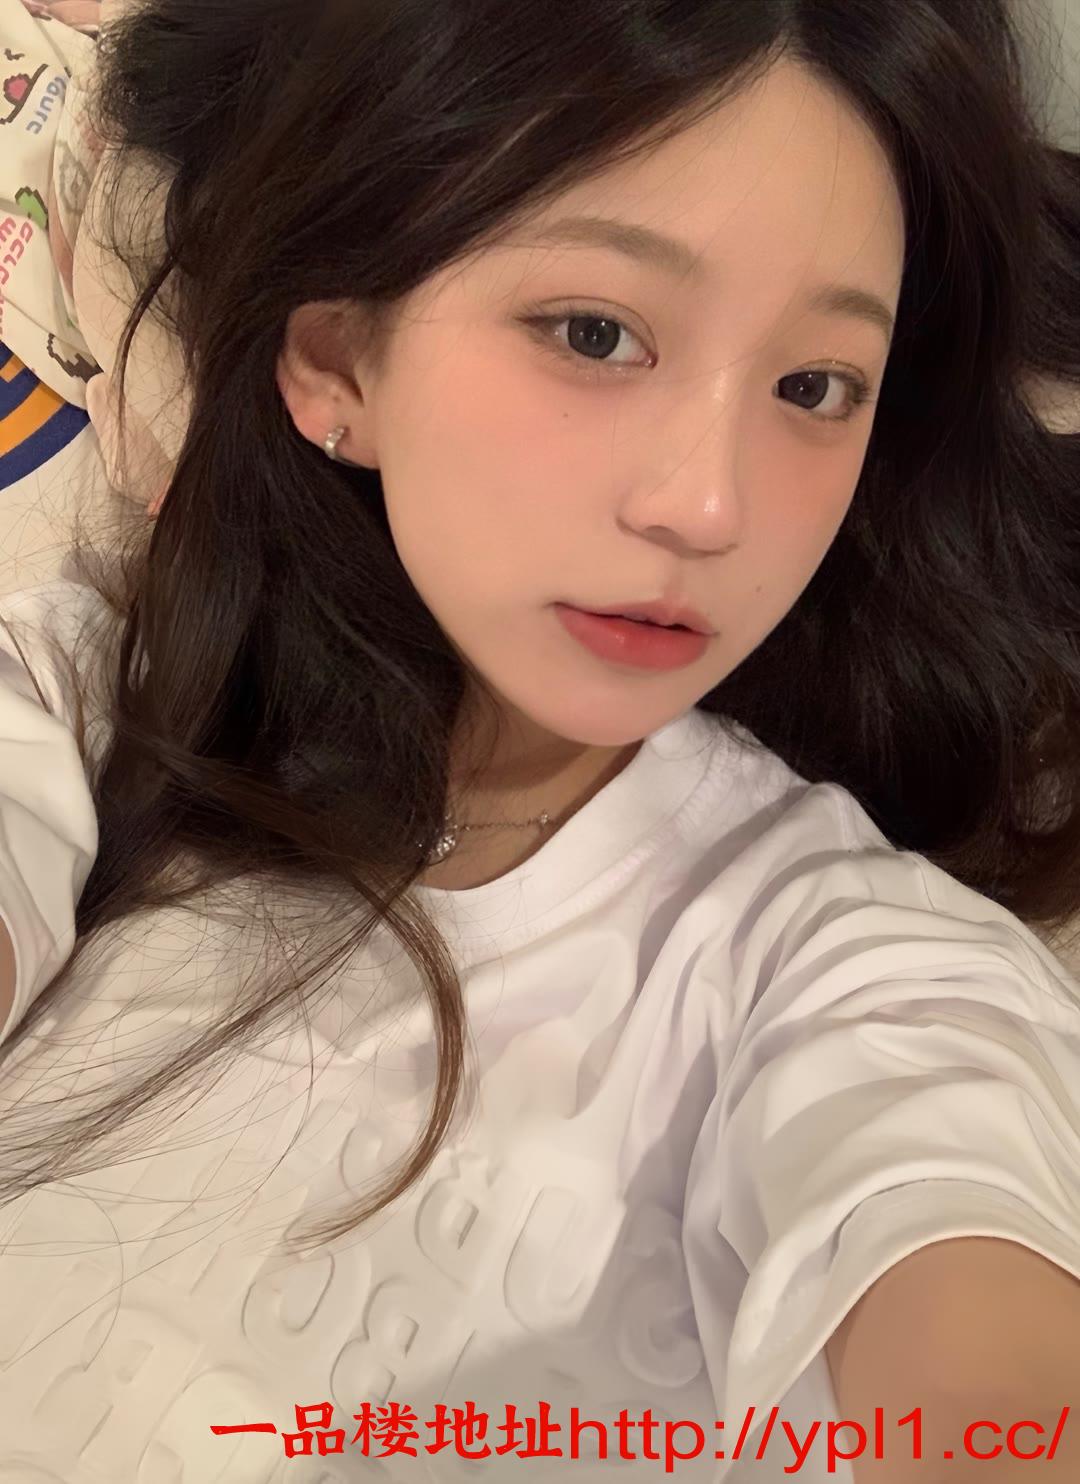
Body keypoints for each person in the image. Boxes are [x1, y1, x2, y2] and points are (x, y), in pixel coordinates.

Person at [0, 0, 1079, 1479]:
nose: (710, 506)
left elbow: (972, 1298)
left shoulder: (840, 955)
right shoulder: (80, 697)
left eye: (814, 387)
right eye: (595, 333)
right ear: (340, 365)